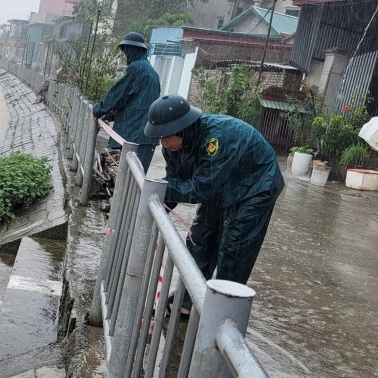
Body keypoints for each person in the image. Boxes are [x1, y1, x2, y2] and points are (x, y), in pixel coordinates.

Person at [144, 95, 284, 316]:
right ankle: (188, 303)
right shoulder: (171, 148)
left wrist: (160, 189)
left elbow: (201, 189)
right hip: (220, 186)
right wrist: (157, 207)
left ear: (181, 128)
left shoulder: (216, 139)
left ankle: (223, 310)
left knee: (234, 247)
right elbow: (176, 183)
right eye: (159, 138)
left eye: (165, 136)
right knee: (199, 239)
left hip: (255, 186)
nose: (163, 143)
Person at [92, 32, 160, 173]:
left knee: (125, 179)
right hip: (146, 136)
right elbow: (132, 103)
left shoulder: (137, 69)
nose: (124, 56)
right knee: (135, 180)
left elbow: (118, 95)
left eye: (126, 52)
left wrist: (99, 109)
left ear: (132, 51)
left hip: (134, 134)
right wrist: (110, 115)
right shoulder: (150, 72)